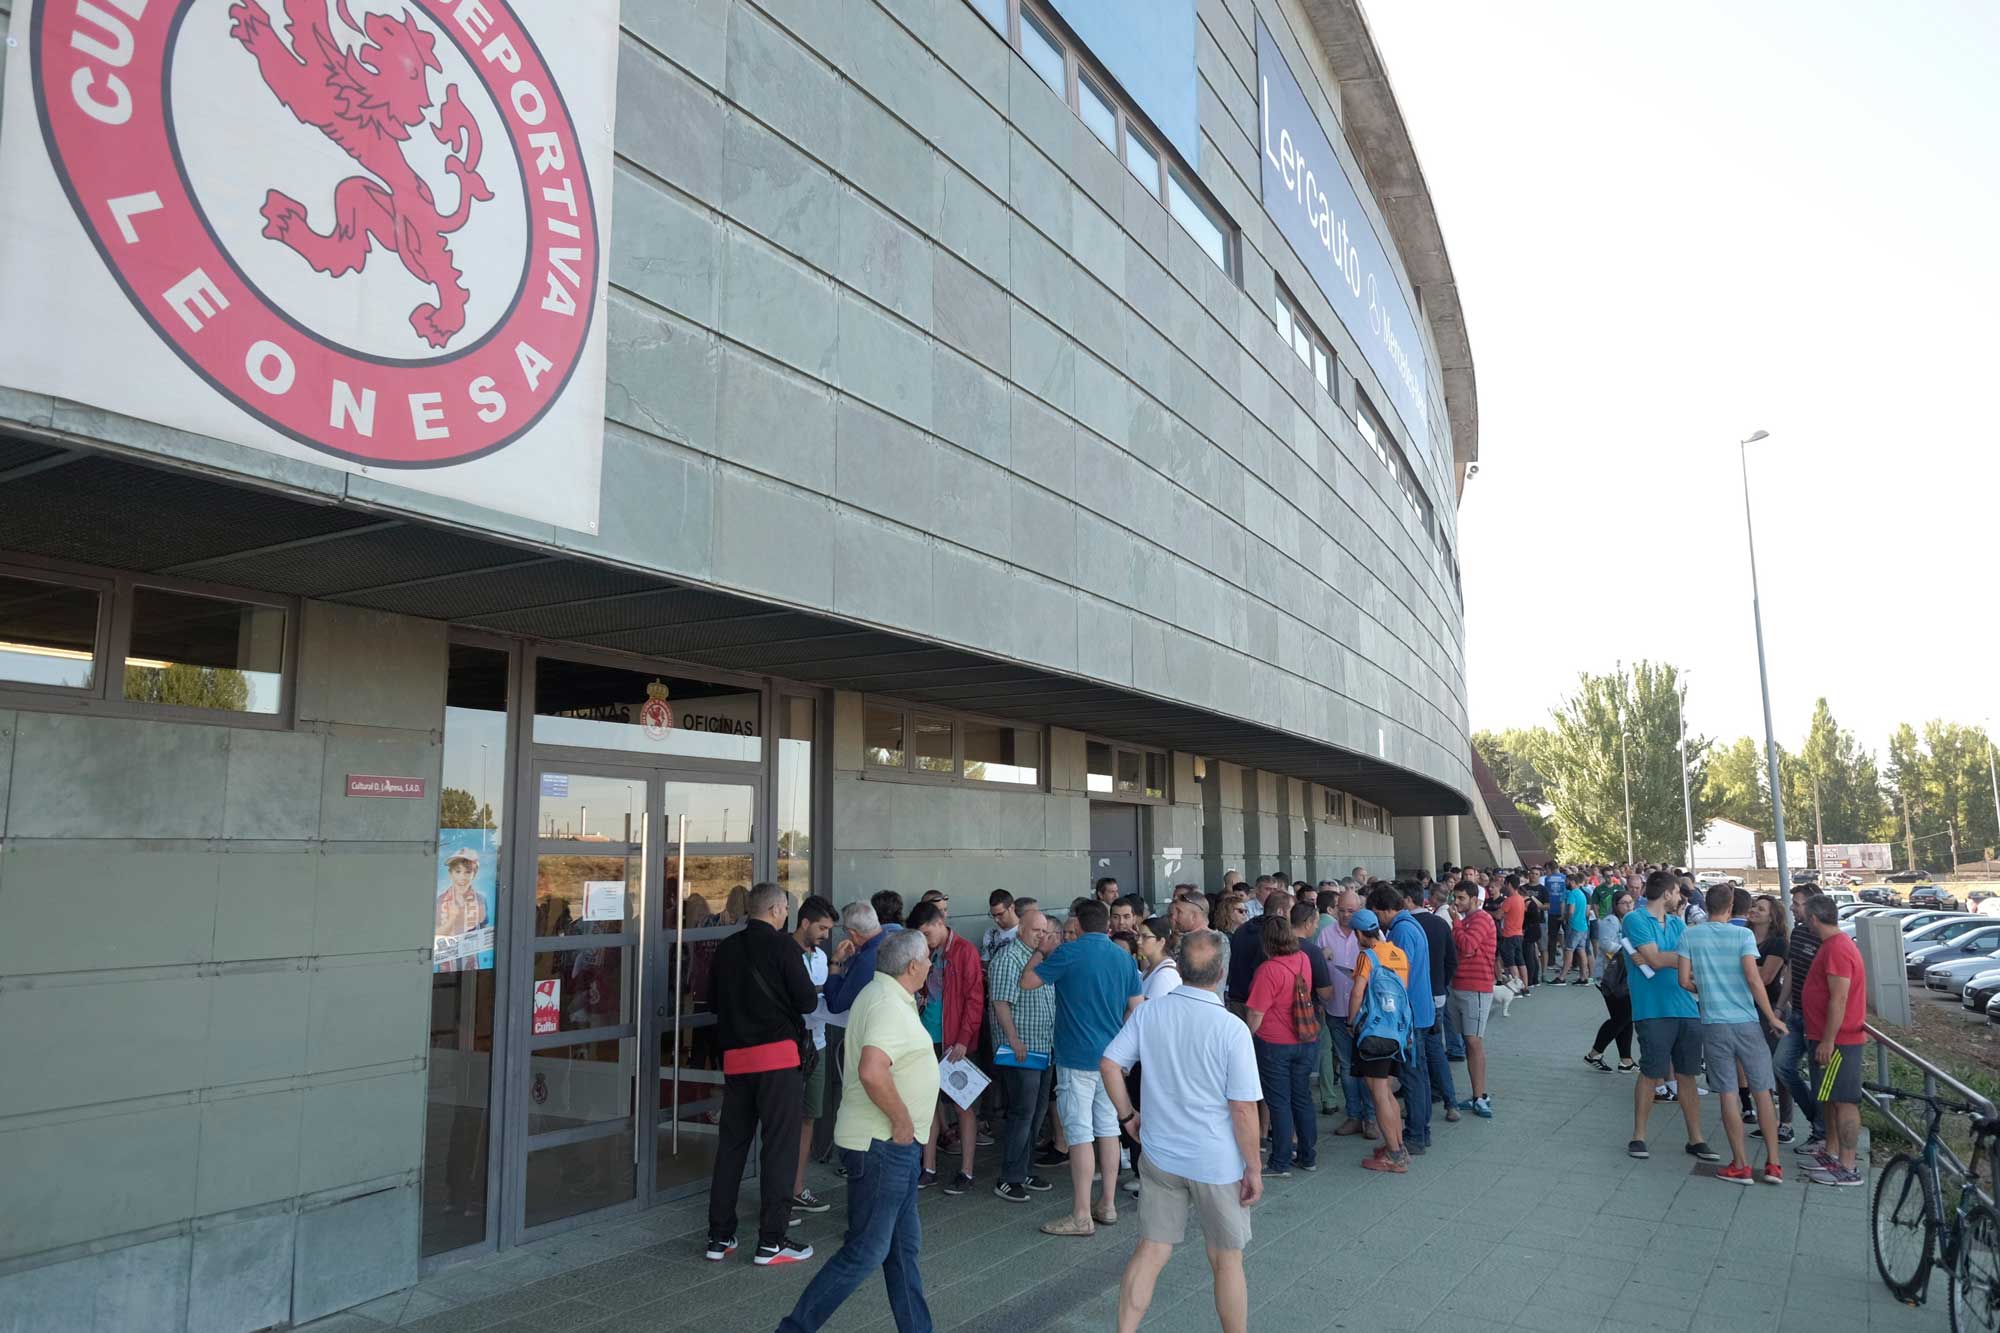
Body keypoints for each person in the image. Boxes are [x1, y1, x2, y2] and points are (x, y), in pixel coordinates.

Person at [1101, 931, 1263, 1333]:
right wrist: (1254, 1167)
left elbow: (1109, 1064)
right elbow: (1242, 1109)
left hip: (1159, 1153)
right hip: (1216, 1161)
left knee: (1152, 1248)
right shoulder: (1231, 1028)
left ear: (1180, 966)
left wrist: (1127, 1117)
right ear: (1222, 971)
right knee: (1226, 1259)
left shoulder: (1149, 1013)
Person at [777, 929, 937, 1332]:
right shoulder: (887, 1003)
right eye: (928, 959)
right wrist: (902, 1122)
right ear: (913, 966)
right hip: (883, 1144)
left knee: (902, 1250)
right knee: (866, 1251)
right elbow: (872, 1070)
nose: (932, 965)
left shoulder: (884, 995)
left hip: (890, 1146)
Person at [704, 883, 817, 1266]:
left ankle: (719, 1237)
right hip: (777, 1060)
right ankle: (772, 1240)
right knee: (779, 1148)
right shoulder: (784, 946)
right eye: (785, 908)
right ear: (776, 909)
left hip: (736, 1061)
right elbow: (806, 1000)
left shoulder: (727, 948)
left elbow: (714, 1002)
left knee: (732, 1148)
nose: (787, 914)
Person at [1021, 899, 1141, 1236]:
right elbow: (1137, 1007)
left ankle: (1081, 1214)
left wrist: (1043, 951)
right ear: (1107, 926)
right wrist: (1121, 1045)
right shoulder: (1123, 957)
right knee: (1107, 1130)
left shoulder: (1068, 953)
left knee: (1079, 1135)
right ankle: (1108, 1205)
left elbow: (1027, 982)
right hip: (1111, 1062)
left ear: (1080, 926)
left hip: (1076, 1058)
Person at [1677, 885, 1789, 1185]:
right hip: (1748, 1022)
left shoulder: (1690, 934)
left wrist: (1706, 989)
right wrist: (1771, 1017)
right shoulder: (1743, 936)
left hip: (1714, 1023)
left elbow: (1683, 980)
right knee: (1762, 1091)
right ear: (1731, 907)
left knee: (1728, 1093)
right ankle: (1774, 1164)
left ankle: (1739, 1164)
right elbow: (1754, 980)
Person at [1623, 871, 1717, 1165]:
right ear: (1667, 893)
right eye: (1678, 892)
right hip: (1652, 1009)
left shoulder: (1677, 923)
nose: (1681, 898)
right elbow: (1654, 959)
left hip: (1686, 1008)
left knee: (1687, 1075)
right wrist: (1683, 959)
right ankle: (1639, 1135)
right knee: (1651, 1072)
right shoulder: (1635, 919)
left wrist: (1672, 959)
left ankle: (1696, 1138)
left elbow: (1662, 959)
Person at [904, 901, 984, 1194]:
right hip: (927, 1037)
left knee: (963, 1105)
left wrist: (963, 1039)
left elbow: (975, 999)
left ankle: (967, 1170)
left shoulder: (965, 951)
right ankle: (928, 1167)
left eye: (927, 932)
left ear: (940, 923)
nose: (924, 939)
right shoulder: (926, 950)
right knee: (928, 1104)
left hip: (955, 1041)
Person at [1243, 911, 1330, 1176]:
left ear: (1266, 942)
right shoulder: (1303, 958)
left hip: (1275, 1043)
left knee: (1279, 1101)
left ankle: (1280, 1161)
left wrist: (1246, 1038)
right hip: (1306, 1039)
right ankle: (1307, 1155)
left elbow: (1256, 1012)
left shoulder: (1267, 970)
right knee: (1302, 1097)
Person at [988, 907, 1057, 1202]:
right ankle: (1010, 1177)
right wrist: (1013, 1039)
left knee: (1037, 1113)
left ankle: (1026, 1170)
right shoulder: (1008, 958)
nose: (1041, 936)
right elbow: (1001, 1003)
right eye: (1035, 930)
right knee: (1021, 1113)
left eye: (1045, 931)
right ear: (1021, 930)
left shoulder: (1040, 958)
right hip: (1022, 1049)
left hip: (1044, 1046)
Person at [1800, 894, 1867, 1186]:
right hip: (1826, 1037)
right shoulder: (1831, 946)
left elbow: (1839, 999)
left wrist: (1828, 1040)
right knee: (1829, 1098)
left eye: (1803, 914)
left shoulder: (1838, 949)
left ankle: (1848, 1166)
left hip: (1839, 1041)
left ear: (1814, 919)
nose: (1801, 919)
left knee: (1843, 1100)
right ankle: (1832, 1151)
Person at [1370, 884, 1435, 1154]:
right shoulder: (1409, 924)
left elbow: (1398, 978)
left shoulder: (1402, 930)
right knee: (1418, 1074)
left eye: (1376, 914)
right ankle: (1421, 1131)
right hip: (1419, 1009)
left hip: (1411, 1013)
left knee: (1413, 1076)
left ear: (1386, 910)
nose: (1377, 921)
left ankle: (1417, 1134)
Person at [1349, 909, 1412, 1173]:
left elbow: (1357, 993)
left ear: (1360, 933)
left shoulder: (1367, 956)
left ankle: (1394, 1156)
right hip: (1397, 1031)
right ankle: (1397, 1146)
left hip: (1374, 1033)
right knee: (1387, 1091)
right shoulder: (1398, 953)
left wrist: (1351, 1023)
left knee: (1379, 1094)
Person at [793, 896, 838, 1214]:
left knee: (808, 1117)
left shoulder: (822, 957)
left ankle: (796, 1188)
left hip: (818, 1044)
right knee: (784, 1118)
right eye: (822, 927)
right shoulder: (784, 954)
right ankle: (781, 1189)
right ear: (805, 923)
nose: (825, 933)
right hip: (790, 1045)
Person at [1776, 882, 1826, 1154]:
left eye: (1797, 903)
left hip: (1818, 1019)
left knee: (1821, 1081)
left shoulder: (1825, 938)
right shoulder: (1797, 934)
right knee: (1781, 1065)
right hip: (1796, 1014)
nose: (1792, 908)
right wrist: (1780, 1007)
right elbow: (1792, 970)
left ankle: (1822, 1134)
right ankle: (1816, 1122)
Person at [1316, 888, 1368, 1133]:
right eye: (1343, 910)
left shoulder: (1369, 934)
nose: (1347, 915)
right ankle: (1354, 1114)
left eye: (1352, 911)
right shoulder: (1326, 935)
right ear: (1335, 909)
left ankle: (1370, 1117)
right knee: (1346, 1065)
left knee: (1367, 1065)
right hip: (1337, 1009)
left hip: (1365, 1011)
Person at [1408, 886, 1460, 1126]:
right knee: (1436, 1050)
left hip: (1415, 998)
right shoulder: (1440, 924)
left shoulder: (1404, 927)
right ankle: (1451, 1102)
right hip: (1437, 994)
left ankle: (1423, 1108)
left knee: (1417, 1055)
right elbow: (1452, 960)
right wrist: (1441, 984)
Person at [1448, 881, 1497, 1118]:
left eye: (1461, 898)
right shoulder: (1467, 920)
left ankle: (1480, 1096)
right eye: (1455, 898)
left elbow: (1467, 946)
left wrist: (1455, 923)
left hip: (1475, 988)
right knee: (1469, 1043)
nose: (1456, 903)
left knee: (1474, 1042)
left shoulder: (1481, 919)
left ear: (1474, 899)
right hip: (1460, 985)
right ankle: (1477, 1094)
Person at [1585, 891, 1637, 1073]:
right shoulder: (1610, 921)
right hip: (1609, 977)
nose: (1629, 906)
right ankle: (1594, 1054)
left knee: (1626, 1017)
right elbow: (1606, 944)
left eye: (1631, 902)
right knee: (1621, 1017)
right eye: (1624, 903)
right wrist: (1631, 952)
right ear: (1616, 905)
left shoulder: (1630, 921)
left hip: (1623, 977)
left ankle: (1626, 1060)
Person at [824, 902, 896, 1015]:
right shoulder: (896, 938)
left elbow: (835, 1004)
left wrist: (835, 962)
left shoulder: (867, 960)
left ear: (852, 933)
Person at [1136, 918, 1180, 1000]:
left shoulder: (1165, 975)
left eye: (1145, 936)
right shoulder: (1150, 969)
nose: (1138, 941)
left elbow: (1151, 1011)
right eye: (1138, 936)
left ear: (1161, 941)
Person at [1497, 878, 1527, 992]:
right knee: (1521, 961)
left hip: (1509, 934)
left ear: (1509, 884)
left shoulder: (1509, 900)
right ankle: (1525, 986)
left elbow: (1499, 915)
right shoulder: (1521, 899)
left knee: (1511, 962)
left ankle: (1516, 988)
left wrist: (1491, 912)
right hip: (1519, 933)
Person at [982, 890, 1019, 962]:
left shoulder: (1026, 931)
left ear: (1011, 907)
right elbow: (985, 962)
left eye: (1000, 914)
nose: (996, 920)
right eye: (993, 915)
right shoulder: (990, 933)